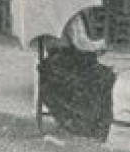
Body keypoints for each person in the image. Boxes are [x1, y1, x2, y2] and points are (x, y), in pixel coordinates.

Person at [36, 8, 114, 140]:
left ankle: (83, 121)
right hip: (69, 65)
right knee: (105, 78)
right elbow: (81, 43)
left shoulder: (45, 14)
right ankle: (94, 124)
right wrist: (101, 44)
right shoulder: (70, 15)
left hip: (52, 67)